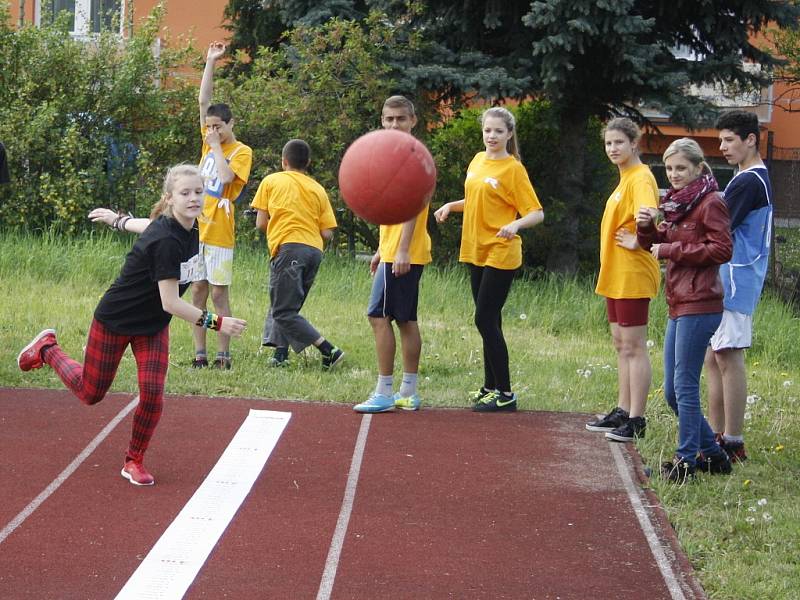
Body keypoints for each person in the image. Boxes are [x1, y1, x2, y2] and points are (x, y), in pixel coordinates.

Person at [16, 165, 248, 486]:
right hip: (116, 320)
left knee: (152, 394)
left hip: (151, 327)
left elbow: (148, 225)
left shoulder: (187, 227)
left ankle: (133, 460)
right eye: (185, 193)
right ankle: (47, 349)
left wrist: (118, 221)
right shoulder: (167, 240)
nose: (194, 198)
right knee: (90, 393)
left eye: (198, 192)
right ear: (170, 198)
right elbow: (171, 302)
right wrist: (217, 322)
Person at [434, 107, 544, 412]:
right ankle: (489, 386)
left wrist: (516, 224)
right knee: (490, 321)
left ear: (509, 134)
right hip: (475, 249)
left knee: (483, 318)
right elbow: (477, 198)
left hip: (501, 251)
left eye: (498, 131)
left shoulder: (513, 169)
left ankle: (506, 394)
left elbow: (536, 212)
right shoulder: (478, 160)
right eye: (487, 131)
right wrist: (450, 206)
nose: (492, 136)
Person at [637, 138, 733, 483]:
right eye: (670, 168)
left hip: (701, 303)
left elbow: (722, 249)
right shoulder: (680, 204)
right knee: (673, 392)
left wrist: (671, 249)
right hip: (679, 302)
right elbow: (653, 243)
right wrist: (647, 226)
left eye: (681, 168)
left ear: (697, 168)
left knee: (685, 387)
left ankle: (686, 461)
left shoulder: (710, 202)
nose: (675, 174)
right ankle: (716, 456)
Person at [353, 96, 432, 413]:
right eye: (388, 119)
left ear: (414, 120)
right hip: (396, 250)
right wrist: (381, 249)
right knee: (405, 320)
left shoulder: (411, 157)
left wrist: (400, 250)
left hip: (405, 252)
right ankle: (408, 392)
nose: (394, 125)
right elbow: (393, 209)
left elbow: (413, 205)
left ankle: (385, 391)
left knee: (378, 316)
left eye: (400, 119)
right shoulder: (394, 153)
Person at [703, 110, 773, 463]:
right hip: (726, 279)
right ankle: (717, 434)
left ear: (750, 140)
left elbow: (715, 226)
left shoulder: (749, 181)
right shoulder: (745, 177)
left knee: (728, 356)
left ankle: (733, 440)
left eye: (729, 140)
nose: (723, 147)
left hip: (736, 279)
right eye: (721, 140)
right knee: (713, 357)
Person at [585, 117, 660, 442]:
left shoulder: (640, 177)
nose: (613, 148)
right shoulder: (625, 178)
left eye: (619, 142)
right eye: (608, 143)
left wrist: (641, 238)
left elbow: (650, 213)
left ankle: (637, 419)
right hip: (614, 274)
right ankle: (622, 409)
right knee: (620, 345)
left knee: (633, 346)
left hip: (632, 274)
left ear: (634, 143)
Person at [250, 139, 344, 370]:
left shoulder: (272, 180)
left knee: (283, 310)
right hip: (314, 251)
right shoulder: (318, 189)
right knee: (287, 304)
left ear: (284, 161)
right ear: (308, 163)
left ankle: (328, 350)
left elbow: (261, 223)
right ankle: (280, 355)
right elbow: (327, 232)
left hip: (289, 247)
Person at [193, 41, 253, 370]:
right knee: (198, 290)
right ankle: (200, 352)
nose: (212, 130)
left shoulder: (240, 150)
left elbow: (228, 176)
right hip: (196, 228)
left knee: (218, 293)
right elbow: (204, 100)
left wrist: (216, 146)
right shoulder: (208, 138)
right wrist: (211, 62)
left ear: (231, 124)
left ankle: (223, 352)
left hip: (220, 230)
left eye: (219, 126)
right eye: (209, 126)